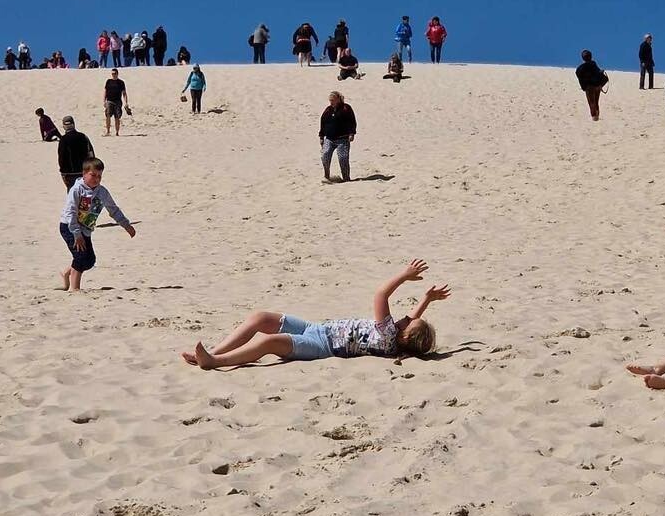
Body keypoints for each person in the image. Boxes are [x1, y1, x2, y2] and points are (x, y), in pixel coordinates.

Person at [182, 259, 451, 370]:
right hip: (317, 328)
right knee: (260, 318)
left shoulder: (387, 334)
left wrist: (403, 276)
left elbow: (381, 294)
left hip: (321, 346)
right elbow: (412, 323)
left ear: (403, 335)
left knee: (268, 342)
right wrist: (426, 300)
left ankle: (215, 361)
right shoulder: (397, 338)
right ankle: (210, 353)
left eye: (407, 322)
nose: (406, 317)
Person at [59, 158, 135, 293]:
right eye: (93, 175)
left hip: (85, 229)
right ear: (84, 174)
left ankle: (66, 272)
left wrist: (126, 225)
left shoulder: (102, 192)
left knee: (89, 260)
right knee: (80, 257)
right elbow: (70, 213)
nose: (96, 179)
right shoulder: (76, 190)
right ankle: (74, 288)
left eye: (99, 176)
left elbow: (113, 209)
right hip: (69, 227)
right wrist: (76, 234)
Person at [320, 90, 356, 182]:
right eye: (330, 100)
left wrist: (352, 133)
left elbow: (352, 121)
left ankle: (346, 178)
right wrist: (321, 136)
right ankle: (327, 176)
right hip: (329, 139)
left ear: (338, 99)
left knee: (343, 158)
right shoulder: (328, 109)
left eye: (332, 100)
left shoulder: (346, 108)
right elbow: (323, 122)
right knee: (325, 155)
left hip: (342, 139)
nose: (331, 102)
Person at [57, 116, 95, 189]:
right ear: (74, 124)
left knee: (72, 192)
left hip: (68, 173)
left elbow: (61, 157)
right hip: (83, 171)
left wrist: (63, 172)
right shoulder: (83, 136)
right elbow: (91, 154)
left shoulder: (63, 139)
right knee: (85, 192)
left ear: (64, 126)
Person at [575, 50, 608, 121]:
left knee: (591, 103)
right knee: (596, 102)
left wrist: (584, 87)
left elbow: (579, 76)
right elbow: (598, 72)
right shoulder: (593, 64)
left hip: (589, 87)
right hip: (597, 86)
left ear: (583, 58)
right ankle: (597, 116)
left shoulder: (580, 68)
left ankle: (594, 118)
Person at [103, 69, 130, 135]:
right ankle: (108, 131)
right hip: (109, 101)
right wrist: (104, 101)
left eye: (115, 73)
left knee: (117, 117)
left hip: (118, 102)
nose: (113, 75)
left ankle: (117, 132)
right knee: (108, 115)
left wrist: (126, 102)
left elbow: (124, 93)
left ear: (117, 74)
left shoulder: (121, 82)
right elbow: (105, 91)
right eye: (112, 74)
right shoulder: (108, 81)